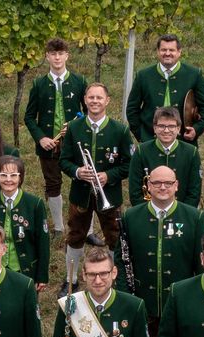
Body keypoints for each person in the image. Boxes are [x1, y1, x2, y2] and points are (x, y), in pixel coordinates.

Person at [115, 165, 204, 337]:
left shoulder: (194, 217)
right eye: (157, 183)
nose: (162, 187)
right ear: (148, 186)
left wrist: (198, 300)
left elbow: (202, 263)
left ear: (177, 185)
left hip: (181, 303)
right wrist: (127, 298)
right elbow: (121, 262)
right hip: (144, 301)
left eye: (168, 183)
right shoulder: (131, 216)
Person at [58, 82, 133, 297]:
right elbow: (64, 160)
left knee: (114, 236)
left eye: (99, 97)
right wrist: (77, 171)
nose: (95, 101)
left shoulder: (120, 130)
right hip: (80, 194)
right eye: (91, 97)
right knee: (75, 235)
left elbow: (129, 164)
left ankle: (114, 277)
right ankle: (71, 279)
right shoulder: (74, 128)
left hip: (109, 195)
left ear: (107, 101)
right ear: (85, 100)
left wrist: (108, 175)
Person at [24, 37, 87, 236]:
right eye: (53, 54)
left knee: (84, 182)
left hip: (74, 143)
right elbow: (29, 117)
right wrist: (41, 138)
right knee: (53, 184)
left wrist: (77, 127)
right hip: (49, 144)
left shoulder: (79, 82)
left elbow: (87, 113)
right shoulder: (38, 83)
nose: (57, 57)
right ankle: (59, 227)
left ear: (67, 55)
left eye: (61, 53)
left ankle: (88, 228)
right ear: (47, 57)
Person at [126, 33, 204, 143]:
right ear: (157, 51)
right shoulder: (143, 75)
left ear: (179, 52)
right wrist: (141, 135)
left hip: (184, 141)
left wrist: (196, 130)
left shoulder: (194, 74)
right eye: (163, 50)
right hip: (150, 140)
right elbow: (132, 109)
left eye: (171, 50)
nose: (167, 53)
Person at [0, 155, 51, 290]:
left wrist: (42, 276)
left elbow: (43, 242)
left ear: (20, 177)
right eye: (3, 175)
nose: (8, 180)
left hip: (25, 270)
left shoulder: (35, 204)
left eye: (13, 175)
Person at [127, 107, 203, 206]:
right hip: (149, 213)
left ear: (178, 128)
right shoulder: (141, 151)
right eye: (161, 126)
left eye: (171, 126)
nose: (166, 130)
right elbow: (135, 191)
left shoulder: (191, 152)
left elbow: (194, 192)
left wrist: (184, 214)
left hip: (182, 214)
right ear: (154, 128)